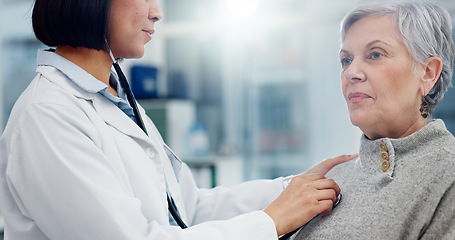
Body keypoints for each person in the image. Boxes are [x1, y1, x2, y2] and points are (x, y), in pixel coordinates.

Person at [0, 0, 357, 239]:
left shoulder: (115, 102)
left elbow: (189, 209)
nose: (157, 12)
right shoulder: (48, 115)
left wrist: (292, 187)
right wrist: (271, 222)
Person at [293, 1, 455, 239]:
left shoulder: (447, 174)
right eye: (346, 60)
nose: (351, 72)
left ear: (428, 72)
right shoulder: (330, 178)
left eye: (375, 54)